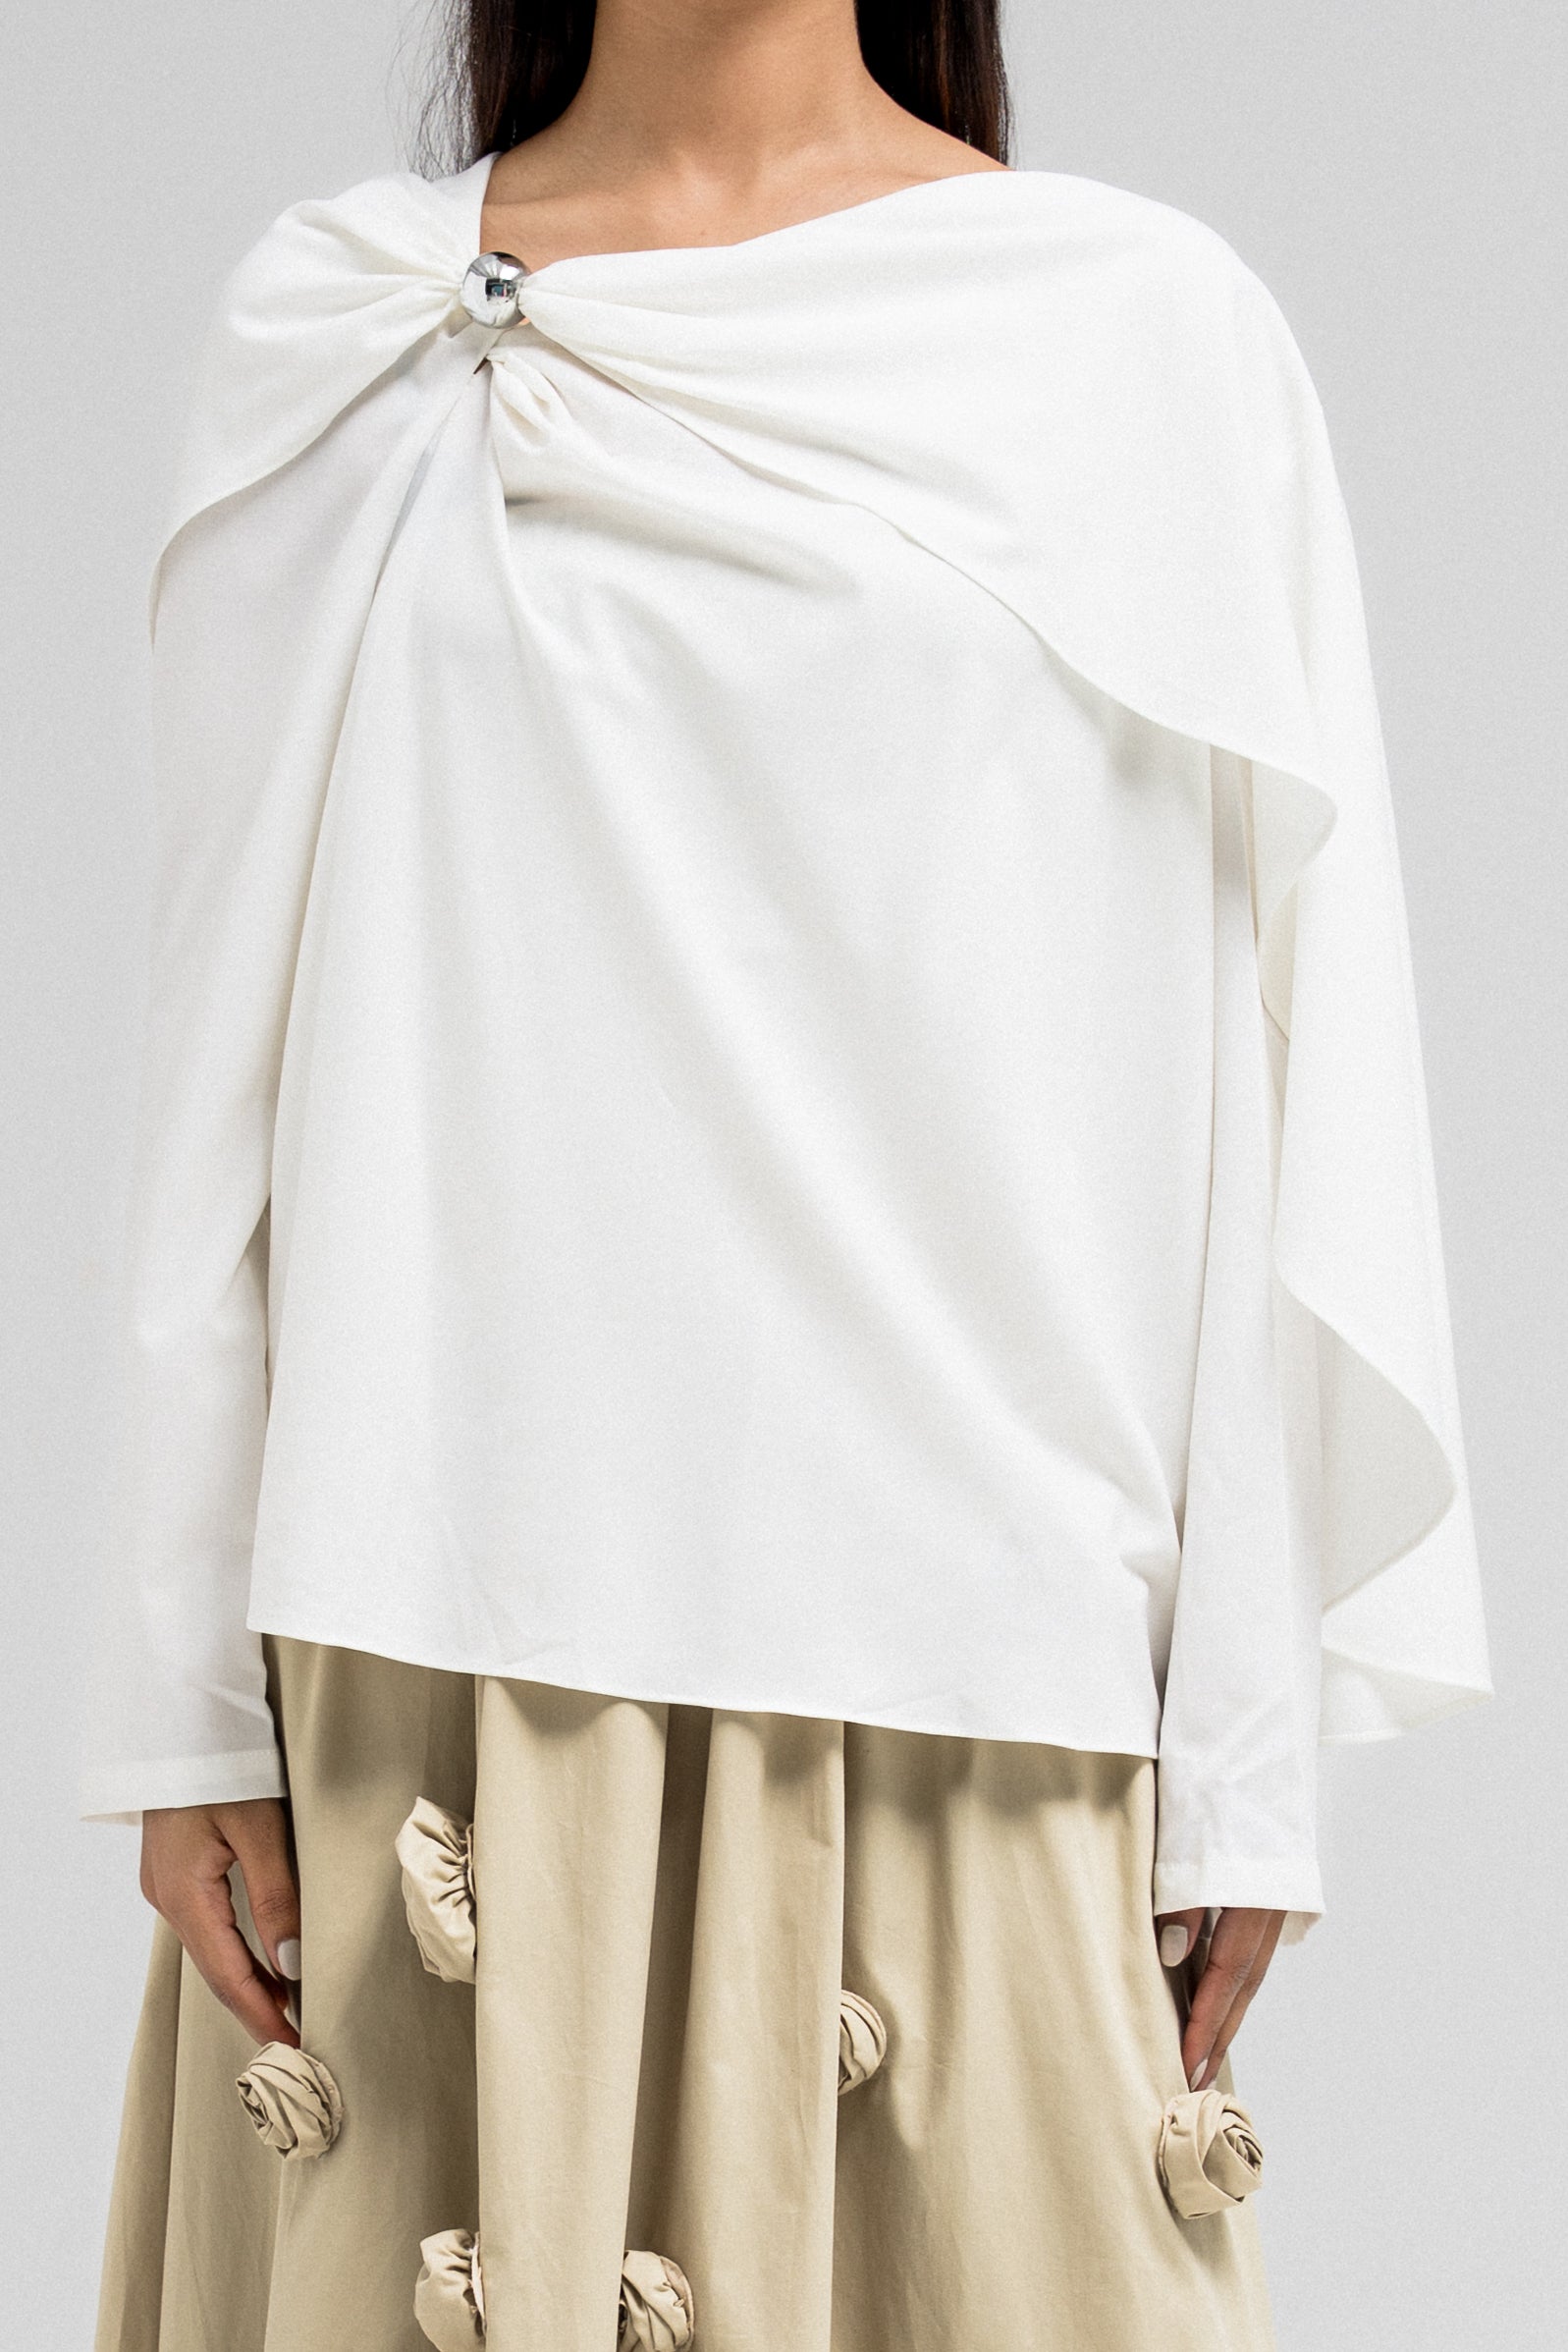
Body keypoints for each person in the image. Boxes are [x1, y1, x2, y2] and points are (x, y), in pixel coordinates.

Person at [82, 3, 1491, 2347]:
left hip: (978, 1659)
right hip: (435, 1676)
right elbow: (213, 1044)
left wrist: (1240, 1754)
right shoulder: (349, 323)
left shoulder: (1140, 337)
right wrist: (177, 1704)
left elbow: (1252, 1077)